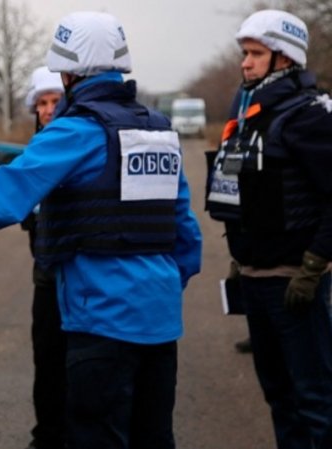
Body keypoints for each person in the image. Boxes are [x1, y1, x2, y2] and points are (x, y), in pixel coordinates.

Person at [0, 11, 202, 449]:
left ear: (68, 73)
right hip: (160, 327)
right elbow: (187, 237)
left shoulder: (75, 132)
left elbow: (2, 196)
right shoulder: (159, 132)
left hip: (101, 323)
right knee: (154, 438)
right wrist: (153, 293)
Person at [205, 9, 332, 448]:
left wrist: (314, 264)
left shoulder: (308, 115)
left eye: (256, 53)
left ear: (284, 59)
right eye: (245, 53)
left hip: (294, 283)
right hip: (256, 280)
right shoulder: (249, 115)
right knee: (279, 396)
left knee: (315, 400)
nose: (245, 62)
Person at [20, 66, 66, 449]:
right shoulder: (32, 154)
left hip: (81, 276)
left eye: (55, 101)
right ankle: (47, 435)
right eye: (42, 103)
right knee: (47, 359)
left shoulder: (83, 144)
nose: (48, 110)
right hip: (45, 275)